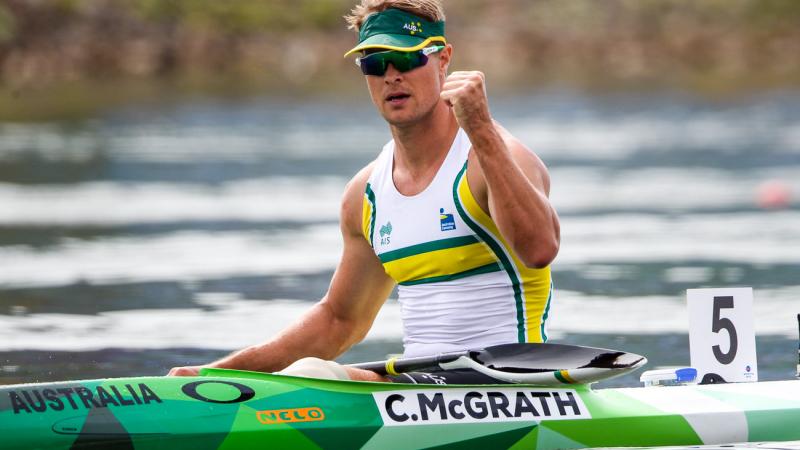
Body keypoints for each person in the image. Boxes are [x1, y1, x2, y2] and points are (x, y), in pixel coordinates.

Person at [169, 0, 559, 384]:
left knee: (311, 377)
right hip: (425, 389)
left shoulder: (495, 156)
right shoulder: (366, 195)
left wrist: (482, 130)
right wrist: (212, 376)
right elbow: (340, 321)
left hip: (514, 384)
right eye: (373, 62)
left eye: (405, 59)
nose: (390, 75)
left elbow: (540, 250)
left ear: (443, 59)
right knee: (299, 376)